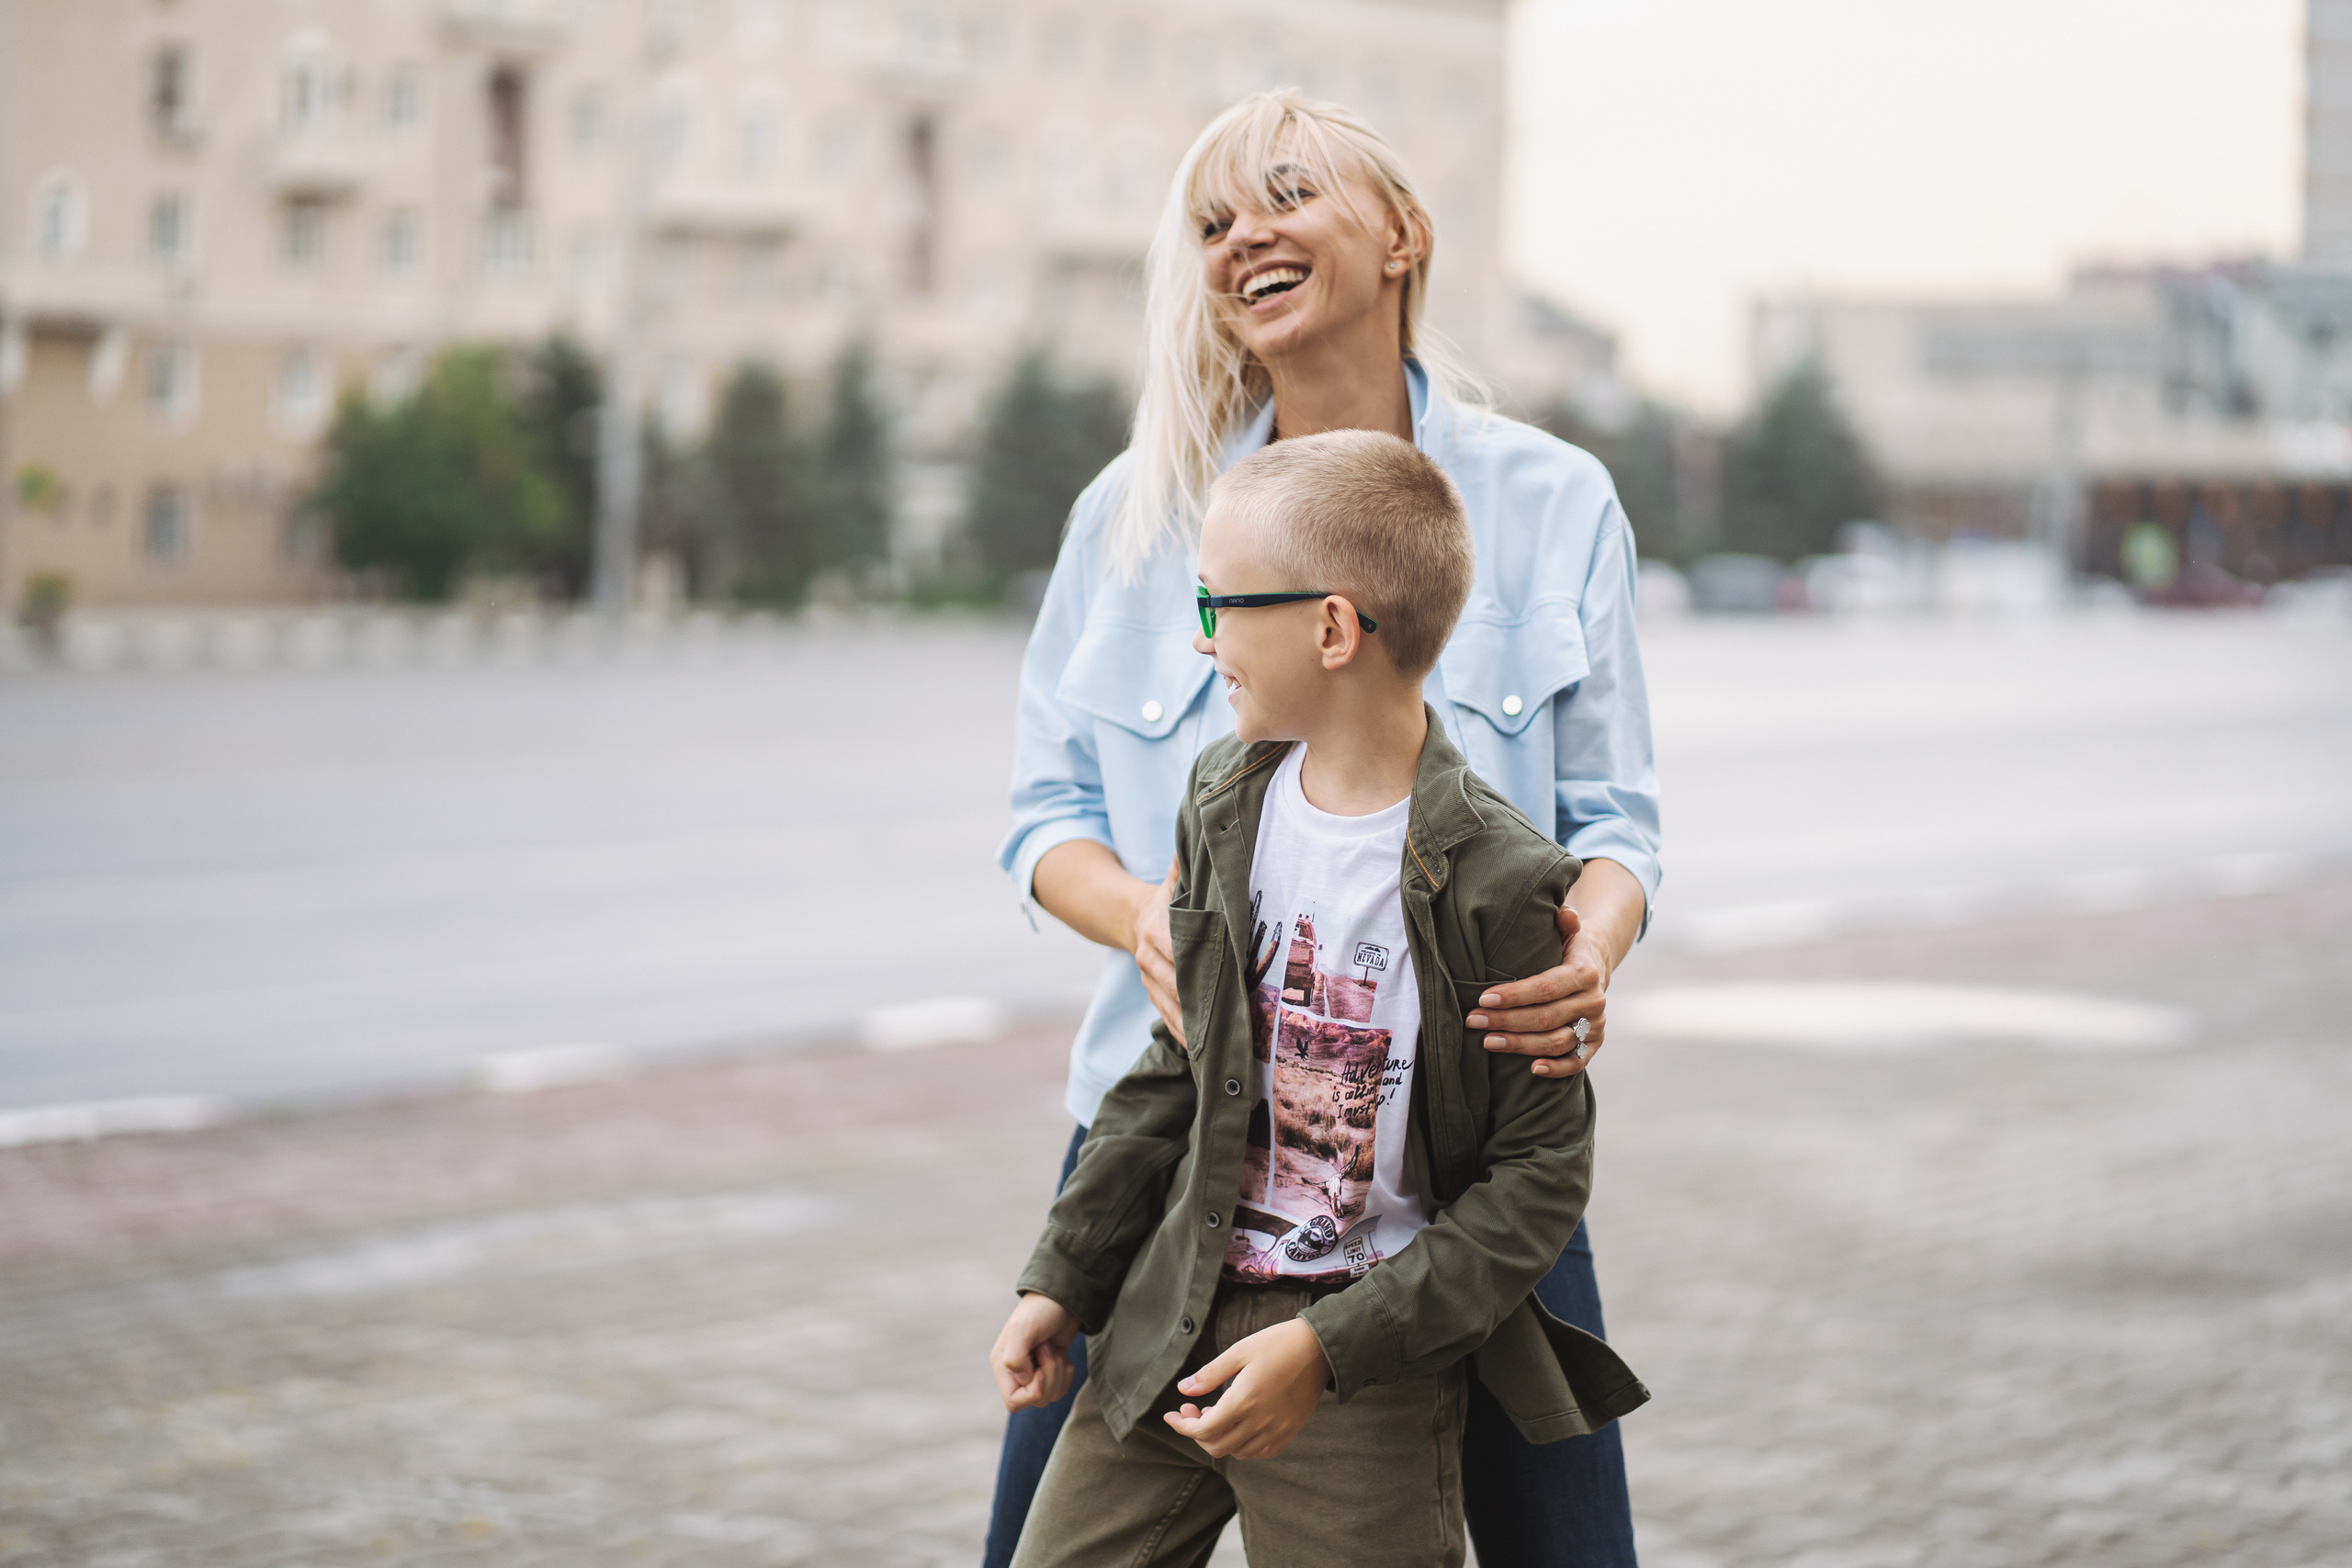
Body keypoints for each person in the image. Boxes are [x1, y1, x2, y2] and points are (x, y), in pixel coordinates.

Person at [990, 88, 1661, 1568]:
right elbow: (1042, 817)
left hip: (1467, 1168)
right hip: (1167, 1150)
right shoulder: (1137, 515)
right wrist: (1148, 919)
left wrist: (1589, 953)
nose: (1245, 239)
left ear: (1402, 235)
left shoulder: (1554, 502)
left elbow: (1617, 819)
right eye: (1215, 221)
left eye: (1286, 196)